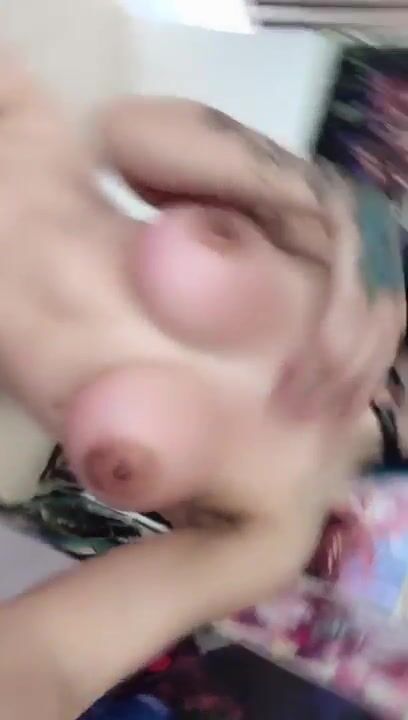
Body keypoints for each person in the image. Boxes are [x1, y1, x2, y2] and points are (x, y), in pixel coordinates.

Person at [0, 47, 405, 719]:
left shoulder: (274, 526)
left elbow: (51, 659)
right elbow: (128, 129)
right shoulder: (348, 269)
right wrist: (349, 210)